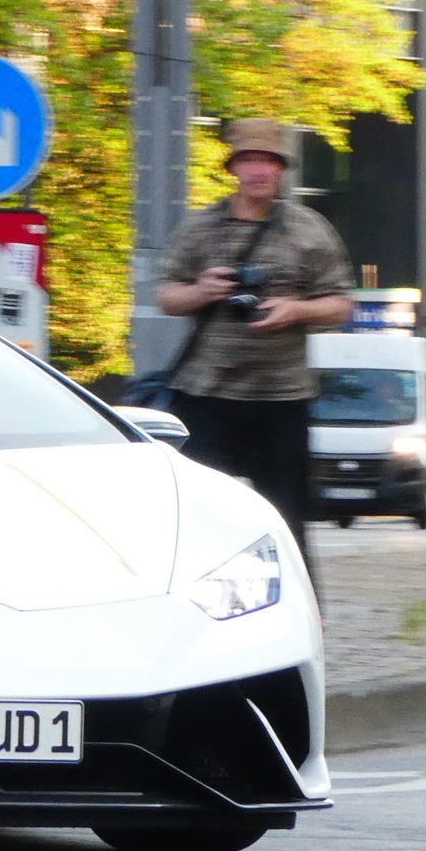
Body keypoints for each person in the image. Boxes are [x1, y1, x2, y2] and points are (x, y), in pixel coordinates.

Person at [155, 119, 355, 566]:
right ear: (234, 168)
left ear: (282, 169)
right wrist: (203, 291)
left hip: (281, 399)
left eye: (268, 161)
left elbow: (342, 306)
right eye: (249, 160)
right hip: (206, 395)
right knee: (198, 521)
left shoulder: (309, 229)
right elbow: (166, 296)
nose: (259, 171)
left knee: (287, 523)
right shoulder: (201, 228)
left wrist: (297, 309)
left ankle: (304, 620)